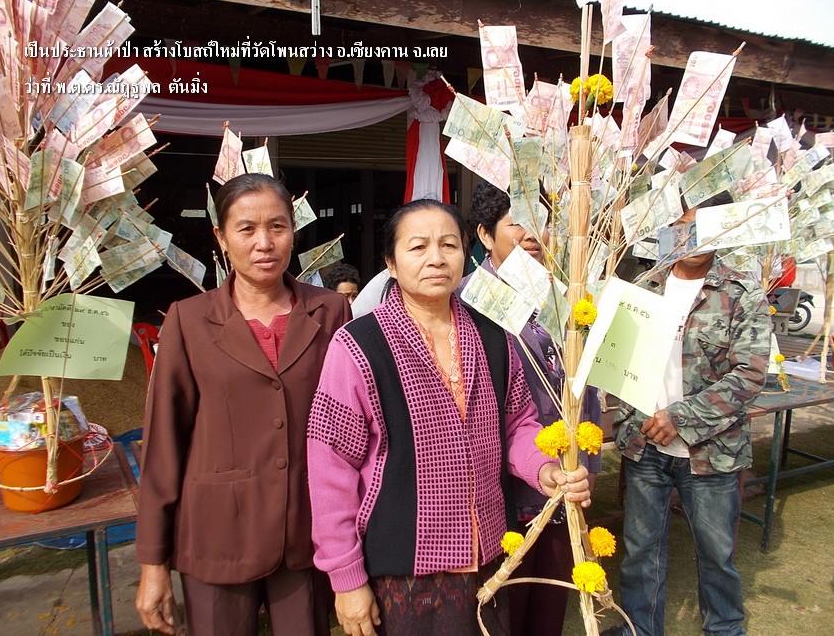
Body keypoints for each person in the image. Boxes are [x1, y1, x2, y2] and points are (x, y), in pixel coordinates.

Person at [307, 199, 592, 636]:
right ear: (391, 263)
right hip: (403, 567)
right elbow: (331, 468)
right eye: (418, 247)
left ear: (465, 253)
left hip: (490, 556)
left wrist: (544, 469)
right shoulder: (358, 345)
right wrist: (346, 578)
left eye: (448, 245)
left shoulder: (494, 334)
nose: (436, 258)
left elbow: (517, 424)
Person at [135, 173, 351, 636]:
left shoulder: (331, 310)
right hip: (216, 532)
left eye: (277, 227)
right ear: (221, 237)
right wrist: (153, 563)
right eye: (246, 229)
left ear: (293, 231)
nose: (264, 243)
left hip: (305, 529)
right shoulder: (189, 319)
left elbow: (349, 426)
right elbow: (163, 445)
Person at [605, 203, 770, 636]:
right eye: (682, 225)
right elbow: (620, 360)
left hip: (711, 453)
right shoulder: (646, 287)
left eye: (702, 225)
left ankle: (725, 628)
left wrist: (680, 418)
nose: (692, 235)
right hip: (646, 446)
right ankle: (639, 629)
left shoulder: (740, 292)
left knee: (716, 553)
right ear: (667, 228)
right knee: (641, 551)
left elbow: (750, 373)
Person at [461, 182, 602, 636]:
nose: (531, 234)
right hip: (501, 484)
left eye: (541, 221)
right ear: (485, 235)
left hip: (563, 476)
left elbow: (586, 387)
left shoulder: (566, 294)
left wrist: (588, 461)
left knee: (550, 601)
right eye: (516, 222)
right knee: (507, 605)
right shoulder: (467, 301)